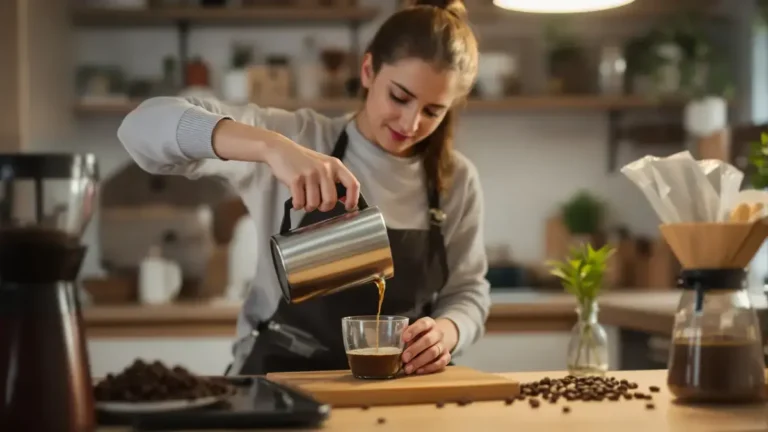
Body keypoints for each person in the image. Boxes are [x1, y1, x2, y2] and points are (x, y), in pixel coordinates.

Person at [117, 0, 490, 376]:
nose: (410, 123)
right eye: (400, 97)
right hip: (281, 377)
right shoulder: (299, 137)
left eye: (432, 111)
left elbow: (469, 292)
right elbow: (140, 127)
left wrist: (448, 331)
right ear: (367, 70)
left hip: (396, 387)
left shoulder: (456, 180)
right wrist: (271, 148)